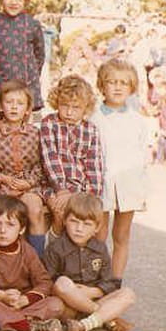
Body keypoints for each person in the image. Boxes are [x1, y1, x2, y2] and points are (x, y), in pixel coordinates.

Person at [0, 195, 64, 331]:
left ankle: (1, 320)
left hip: (21, 303)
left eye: (10, 225)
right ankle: (26, 325)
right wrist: (1, 295)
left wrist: (25, 300)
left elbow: (45, 282)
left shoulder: (27, 251)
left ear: (22, 229)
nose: (3, 230)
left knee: (56, 304)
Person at [43, 193, 136, 331]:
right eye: (74, 221)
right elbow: (47, 282)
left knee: (128, 294)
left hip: (94, 298)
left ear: (97, 227)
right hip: (68, 305)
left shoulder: (100, 249)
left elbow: (110, 282)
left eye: (87, 224)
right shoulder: (56, 248)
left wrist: (92, 292)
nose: (79, 229)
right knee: (62, 283)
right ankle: (105, 317)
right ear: (65, 220)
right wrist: (73, 292)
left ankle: (84, 325)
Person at [89, 59, 149, 278]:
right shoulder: (93, 118)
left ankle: (115, 280)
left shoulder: (138, 121)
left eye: (123, 83)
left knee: (121, 236)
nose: (117, 87)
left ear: (131, 87)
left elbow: (141, 156)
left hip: (128, 183)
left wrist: (140, 189)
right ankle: (95, 280)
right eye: (112, 82)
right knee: (98, 234)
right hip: (101, 182)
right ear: (102, 85)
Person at [0, 80, 50, 257]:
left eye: (20, 103)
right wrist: (3, 179)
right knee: (2, 212)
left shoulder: (35, 133)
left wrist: (28, 182)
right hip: (2, 184)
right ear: (1, 106)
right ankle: (1, 259)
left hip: (28, 185)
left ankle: (36, 260)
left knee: (35, 209)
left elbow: (41, 163)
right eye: (9, 102)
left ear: (28, 109)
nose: (14, 107)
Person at [40, 75, 105, 239]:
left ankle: (77, 252)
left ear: (85, 108)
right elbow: (50, 159)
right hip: (54, 186)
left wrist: (92, 197)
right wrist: (61, 189)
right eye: (64, 105)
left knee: (83, 216)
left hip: (81, 189)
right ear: (57, 103)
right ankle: (55, 247)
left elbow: (94, 166)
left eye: (75, 107)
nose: (69, 112)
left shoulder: (90, 130)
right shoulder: (49, 123)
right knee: (60, 211)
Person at [0, 0, 45, 117]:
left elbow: (39, 54)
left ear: (26, 0)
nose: (14, 2)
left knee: (25, 126)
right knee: (0, 126)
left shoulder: (32, 24)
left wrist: (32, 76)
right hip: (0, 87)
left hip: (26, 86)